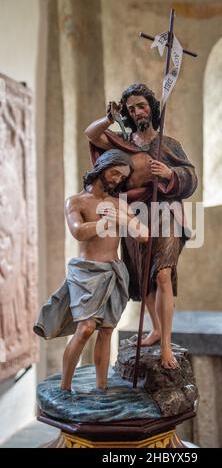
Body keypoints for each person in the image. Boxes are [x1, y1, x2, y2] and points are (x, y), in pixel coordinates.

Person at [84, 83, 198, 369]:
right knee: (144, 276)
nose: (137, 112)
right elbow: (92, 134)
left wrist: (170, 172)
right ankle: (156, 329)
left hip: (166, 213)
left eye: (142, 106)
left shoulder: (168, 144)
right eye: (131, 108)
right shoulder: (122, 143)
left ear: (152, 108)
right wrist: (111, 117)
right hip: (134, 215)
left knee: (162, 275)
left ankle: (166, 346)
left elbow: (191, 178)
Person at [34, 149, 148, 390]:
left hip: (113, 272)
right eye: (114, 172)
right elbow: (78, 231)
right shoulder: (76, 201)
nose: (117, 179)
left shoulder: (118, 204)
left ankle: (101, 386)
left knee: (106, 331)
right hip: (86, 272)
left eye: (122, 177)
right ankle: (64, 386)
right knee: (85, 328)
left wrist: (122, 218)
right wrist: (106, 221)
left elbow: (143, 235)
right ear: (101, 168)